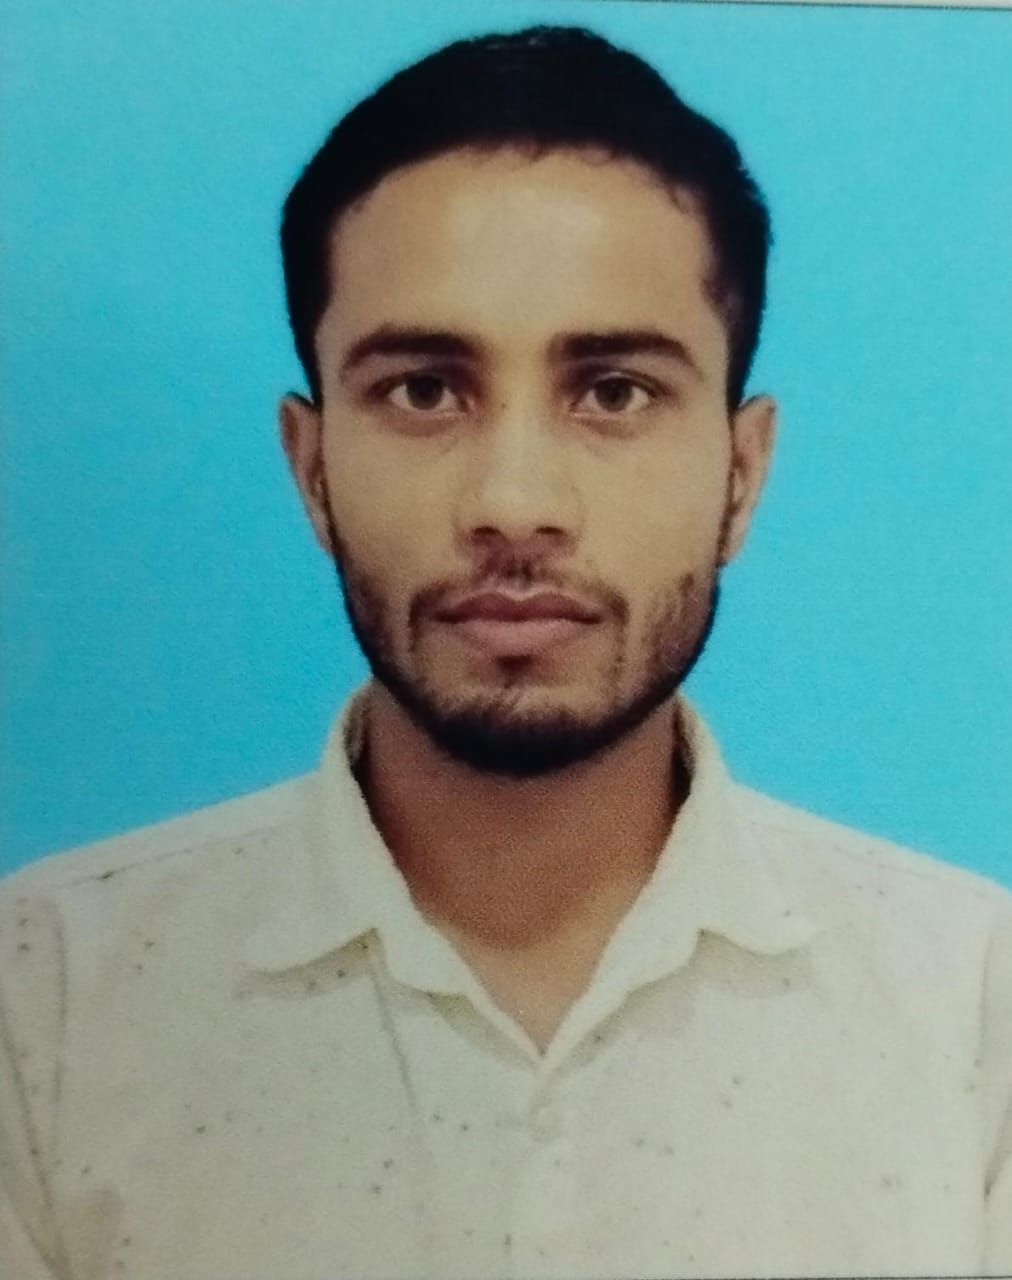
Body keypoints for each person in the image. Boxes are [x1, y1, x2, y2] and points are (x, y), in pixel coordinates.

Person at [1, 23, 1009, 1280]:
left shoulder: (974, 1011)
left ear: (741, 474)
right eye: (424, 390)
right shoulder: (42, 1003)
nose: (515, 502)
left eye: (614, 390)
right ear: (311, 470)